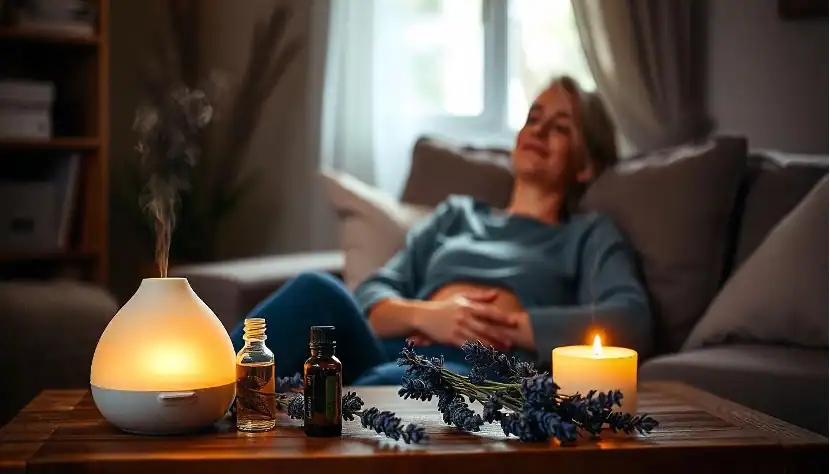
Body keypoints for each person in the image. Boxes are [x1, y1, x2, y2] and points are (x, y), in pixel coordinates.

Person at [229, 76, 652, 385]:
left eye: (560, 126)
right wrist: (432, 316)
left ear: (586, 165)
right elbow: (372, 295)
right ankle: (192, 391)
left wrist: (502, 324)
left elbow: (630, 319)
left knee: (388, 387)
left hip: (477, 369)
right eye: (533, 117)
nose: (538, 130)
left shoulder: (586, 235)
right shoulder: (457, 215)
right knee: (315, 290)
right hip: (393, 346)